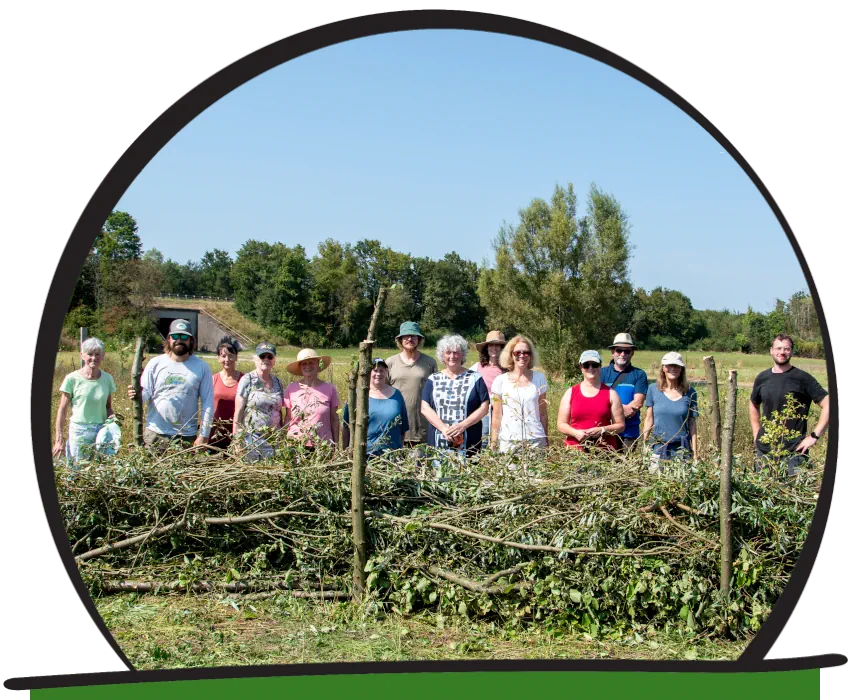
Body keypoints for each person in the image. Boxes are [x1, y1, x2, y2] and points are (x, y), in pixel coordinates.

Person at [127, 319, 214, 452]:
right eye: (175, 336)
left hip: (185, 437)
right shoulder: (155, 363)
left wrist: (204, 434)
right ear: (169, 339)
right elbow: (146, 393)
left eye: (184, 336)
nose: (180, 340)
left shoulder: (202, 367)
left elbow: (208, 402)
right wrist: (137, 394)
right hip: (155, 434)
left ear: (191, 340)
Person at [749, 333, 829, 476]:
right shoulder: (762, 378)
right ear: (771, 350)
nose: (782, 352)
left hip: (794, 452)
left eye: (786, 349)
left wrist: (814, 436)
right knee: (761, 494)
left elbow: (828, 404)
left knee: (791, 494)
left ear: (791, 351)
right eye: (778, 348)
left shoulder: (803, 378)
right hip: (764, 451)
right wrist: (756, 433)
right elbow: (753, 403)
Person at [420, 334, 490, 458]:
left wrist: (462, 426)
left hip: (469, 439)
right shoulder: (434, 379)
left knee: (468, 474)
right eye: (448, 352)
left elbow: (484, 407)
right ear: (442, 355)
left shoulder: (475, 378)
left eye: (456, 352)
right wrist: (443, 429)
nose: (452, 356)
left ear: (463, 355)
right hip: (439, 439)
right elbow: (425, 407)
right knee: (439, 473)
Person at [53, 337, 117, 463]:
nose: (94, 358)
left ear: (102, 356)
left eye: (97, 354)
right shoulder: (72, 379)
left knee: (101, 469)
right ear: (82, 355)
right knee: (78, 469)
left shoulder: (107, 379)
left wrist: (114, 424)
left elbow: (108, 407)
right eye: (90, 354)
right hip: (79, 431)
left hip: (101, 431)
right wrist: (58, 439)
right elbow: (62, 409)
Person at [489, 335, 549, 453]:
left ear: (530, 356)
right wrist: (493, 442)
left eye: (526, 352)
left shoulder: (540, 378)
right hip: (508, 441)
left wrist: (546, 439)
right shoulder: (500, 381)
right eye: (517, 353)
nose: (522, 356)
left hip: (536, 440)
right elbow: (496, 416)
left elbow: (543, 414)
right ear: (511, 355)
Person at [557, 350, 625, 452]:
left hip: (604, 452)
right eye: (586, 365)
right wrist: (575, 433)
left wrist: (602, 430)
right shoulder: (571, 392)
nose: (590, 368)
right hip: (575, 452)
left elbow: (620, 425)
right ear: (581, 368)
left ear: (600, 366)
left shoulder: (611, 393)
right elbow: (561, 424)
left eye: (594, 364)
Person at [385, 321, 438, 449]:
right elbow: (382, 392)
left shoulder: (429, 362)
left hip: (421, 425)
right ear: (400, 339)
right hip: (396, 424)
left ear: (419, 339)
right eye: (406, 336)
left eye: (414, 336)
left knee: (420, 466)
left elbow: (436, 394)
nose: (410, 339)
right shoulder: (390, 362)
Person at [342, 358, 409, 457]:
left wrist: (399, 450)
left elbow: (403, 429)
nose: (378, 374)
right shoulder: (357, 395)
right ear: (368, 372)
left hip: (392, 455)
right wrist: (346, 452)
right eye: (375, 370)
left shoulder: (397, 395)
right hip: (364, 455)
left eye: (382, 370)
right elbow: (346, 427)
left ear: (386, 372)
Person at [642, 352, 699, 470]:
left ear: (681, 369)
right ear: (663, 368)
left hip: (681, 449)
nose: (673, 368)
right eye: (669, 365)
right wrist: (644, 444)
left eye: (676, 366)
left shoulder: (690, 392)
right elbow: (649, 419)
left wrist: (695, 453)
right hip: (658, 447)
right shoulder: (653, 389)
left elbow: (692, 423)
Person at [233, 343, 285, 461]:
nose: (266, 360)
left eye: (270, 357)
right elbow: (238, 411)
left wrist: (281, 436)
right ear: (255, 359)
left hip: (272, 439)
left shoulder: (278, 382)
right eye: (262, 356)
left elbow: (279, 411)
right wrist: (236, 439)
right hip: (251, 439)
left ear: (274, 360)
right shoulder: (248, 380)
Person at [600, 333, 648, 453]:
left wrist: (612, 412)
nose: (622, 354)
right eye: (619, 350)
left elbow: (637, 402)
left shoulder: (639, 374)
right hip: (605, 432)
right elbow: (596, 400)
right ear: (612, 351)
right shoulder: (601, 373)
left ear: (632, 353)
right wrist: (621, 412)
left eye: (627, 351)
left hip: (629, 434)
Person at [283, 348, 340, 449]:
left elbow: (334, 419)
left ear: (318, 364)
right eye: (304, 363)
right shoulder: (291, 389)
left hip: (322, 445)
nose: (308, 366)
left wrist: (336, 445)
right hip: (295, 445)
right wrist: (283, 441)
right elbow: (288, 417)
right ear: (300, 367)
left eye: (311, 363)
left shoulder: (329, 389)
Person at [470, 330, 508, 447]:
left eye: (498, 345)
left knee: (501, 438)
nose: (494, 348)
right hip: (483, 409)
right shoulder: (477, 367)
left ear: (503, 348)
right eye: (491, 345)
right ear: (486, 348)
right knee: (484, 437)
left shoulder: (508, 369)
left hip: (504, 409)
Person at [210, 336, 244, 450]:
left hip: (237, 435)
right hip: (215, 434)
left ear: (236, 357)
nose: (227, 359)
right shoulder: (212, 379)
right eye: (223, 356)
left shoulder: (244, 380)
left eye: (230, 355)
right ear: (218, 358)